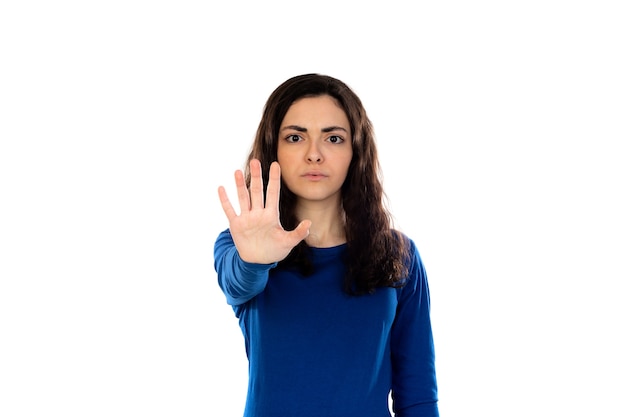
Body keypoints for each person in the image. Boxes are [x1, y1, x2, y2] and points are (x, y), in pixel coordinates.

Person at [214, 73, 439, 417]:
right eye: (295, 137)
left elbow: (418, 397)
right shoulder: (242, 246)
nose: (314, 154)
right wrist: (254, 261)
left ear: (355, 151)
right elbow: (239, 281)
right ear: (274, 148)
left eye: (333, 138)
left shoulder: (398, 255)